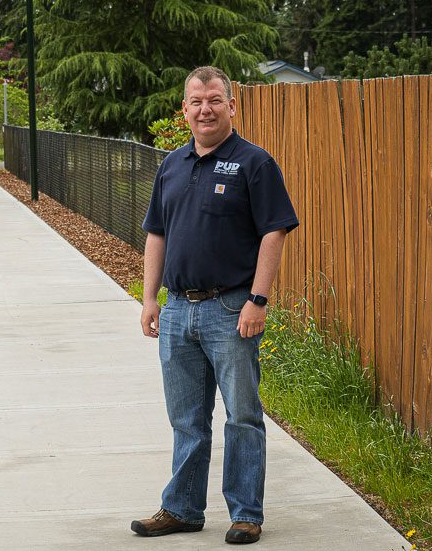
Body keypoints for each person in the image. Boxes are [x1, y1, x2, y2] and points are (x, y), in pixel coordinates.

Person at [132, 66, 298, 545]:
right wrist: (149, 297)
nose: (205, 109)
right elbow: (156, 233)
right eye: (196, 101)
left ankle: (246, 514)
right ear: (184, 110)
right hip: (179, 310)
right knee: (186, 419)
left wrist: (257, 300)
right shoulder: (172, 164)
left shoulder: (254, 163)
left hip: (231, 311)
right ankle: (182, 509)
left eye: (214, 100)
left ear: (231, 105)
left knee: (242, 415)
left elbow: (274, 231)